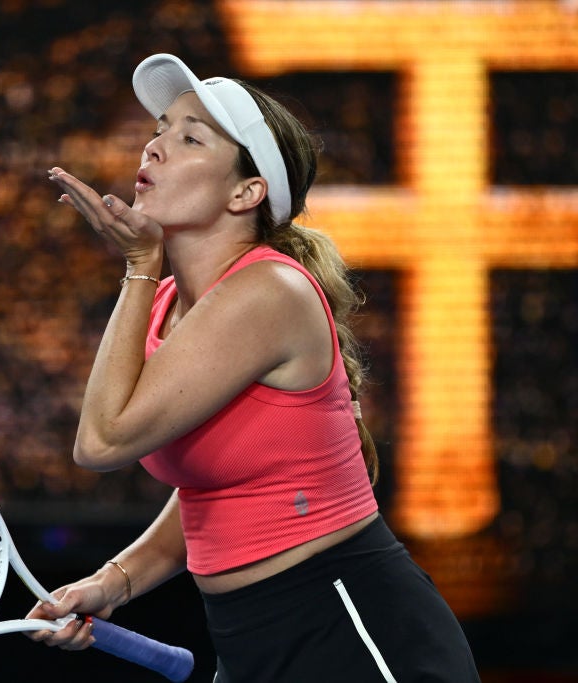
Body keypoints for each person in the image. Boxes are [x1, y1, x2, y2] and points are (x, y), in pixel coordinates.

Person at [27, 54, 480, 682]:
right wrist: (113, 583)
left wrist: (137, 263)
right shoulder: (169, 305)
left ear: (247, 192)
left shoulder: (269, 292)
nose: (155, 146)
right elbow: (210, 491)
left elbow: (102, 440)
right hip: (248, 639)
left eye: (190, 137)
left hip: (348, 626)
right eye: (160, 127)